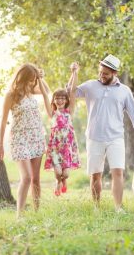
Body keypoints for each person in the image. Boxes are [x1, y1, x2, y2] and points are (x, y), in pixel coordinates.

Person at [68, 55, 134, 212]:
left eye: (105, 73)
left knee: (118, 172)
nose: (101, 75)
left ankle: (118, 208)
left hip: (116, 138)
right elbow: (71, 92)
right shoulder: (91, 85)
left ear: (114, 73)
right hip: (94, 137)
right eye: (100, 72)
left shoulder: (124, 91)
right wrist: (74, 73)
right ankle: (96, 207)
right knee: (95, 175)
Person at [0, 63, 50, 217]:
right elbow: (3, 120)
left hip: (36, 137)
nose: (32, 83)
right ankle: (19, 215)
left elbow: (46, 91)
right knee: (26, 177)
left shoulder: (32, 90)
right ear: (23, 78)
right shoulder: (10, 95)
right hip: (19, 139)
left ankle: (37, 212)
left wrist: (40, 78)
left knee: (36, 180)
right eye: (31, 79)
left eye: (34, 80)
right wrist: (0, 144)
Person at [37, 66, 80, 196]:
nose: (60, 100)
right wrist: (39, 78)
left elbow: (72, 91)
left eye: (62, 98)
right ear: (54, 101)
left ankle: (63, 181)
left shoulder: (69, 112)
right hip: (55, 147)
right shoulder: (52, 113)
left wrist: (74, 73)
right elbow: (45, 94)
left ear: (66, 100)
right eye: (57, 98)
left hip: (67, 146)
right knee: (58, 172)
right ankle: (58, 181)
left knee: (65, 173)